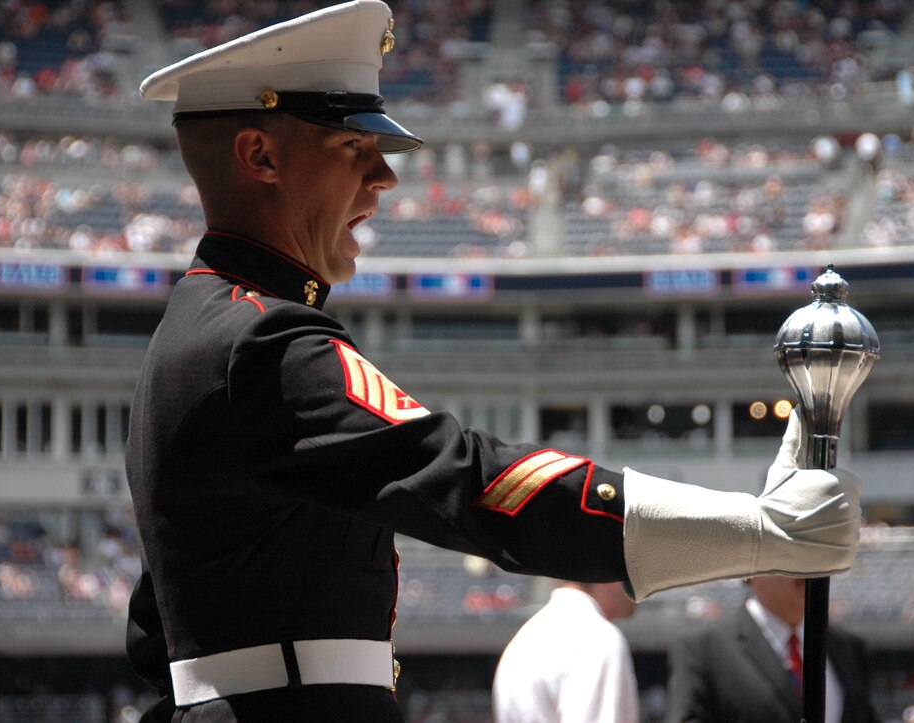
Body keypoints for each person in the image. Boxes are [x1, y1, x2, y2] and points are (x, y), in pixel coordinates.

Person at [124, 2, 864, 719]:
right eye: (353, 147)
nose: (383, 177)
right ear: (259, 156)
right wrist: (755, 531)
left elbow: (163, 617)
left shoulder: (200, 329)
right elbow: (473, 480)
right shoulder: (259, 341)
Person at [664, 576, 879, 723]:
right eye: (792, 549)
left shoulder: (849, 647)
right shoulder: (702, 648)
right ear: (753, 571)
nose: (807, 566)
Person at [492, 581, 639, 722]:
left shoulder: (525, 637)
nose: (642, 587)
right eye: (633, 572)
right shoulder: (599, 639)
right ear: (610, 573)